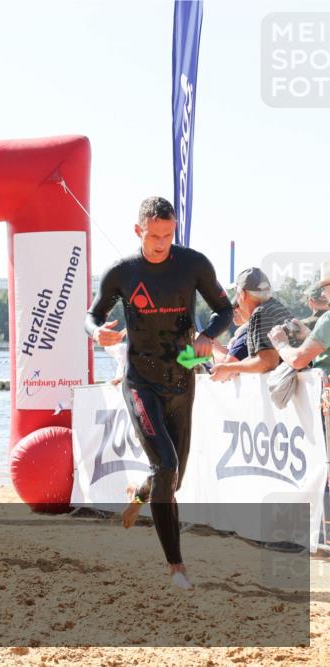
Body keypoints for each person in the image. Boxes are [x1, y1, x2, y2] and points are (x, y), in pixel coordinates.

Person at [84, 196, 232, 589]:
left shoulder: (193, 264)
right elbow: (92, 315)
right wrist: (96, 332)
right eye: (153, 236)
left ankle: (141, 494)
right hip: (141, 381)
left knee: (172, 477)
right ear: (138, 232)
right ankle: (176, 568)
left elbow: (225, 310)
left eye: (168, 236)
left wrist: (207, 336)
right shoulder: (122, 272)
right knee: (166, 464)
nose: (161, 244)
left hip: (182, 376)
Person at [211, 268, 294, 382]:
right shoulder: (276, 307)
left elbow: (268, 362)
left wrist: (228, 368)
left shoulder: (260, 313)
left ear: (243, 294)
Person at [269, 263, 330, 374]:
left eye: (324, 288)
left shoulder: (328, 319)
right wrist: (308, 334)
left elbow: (297, 360)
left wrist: (281, 344)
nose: (323, 293)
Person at [210, 291, 249, 363]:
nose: (233, 314)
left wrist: (213, 345)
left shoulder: (247, 332)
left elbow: (230, 361)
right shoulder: (240, 333)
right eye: (232, 311)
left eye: (236, 311)